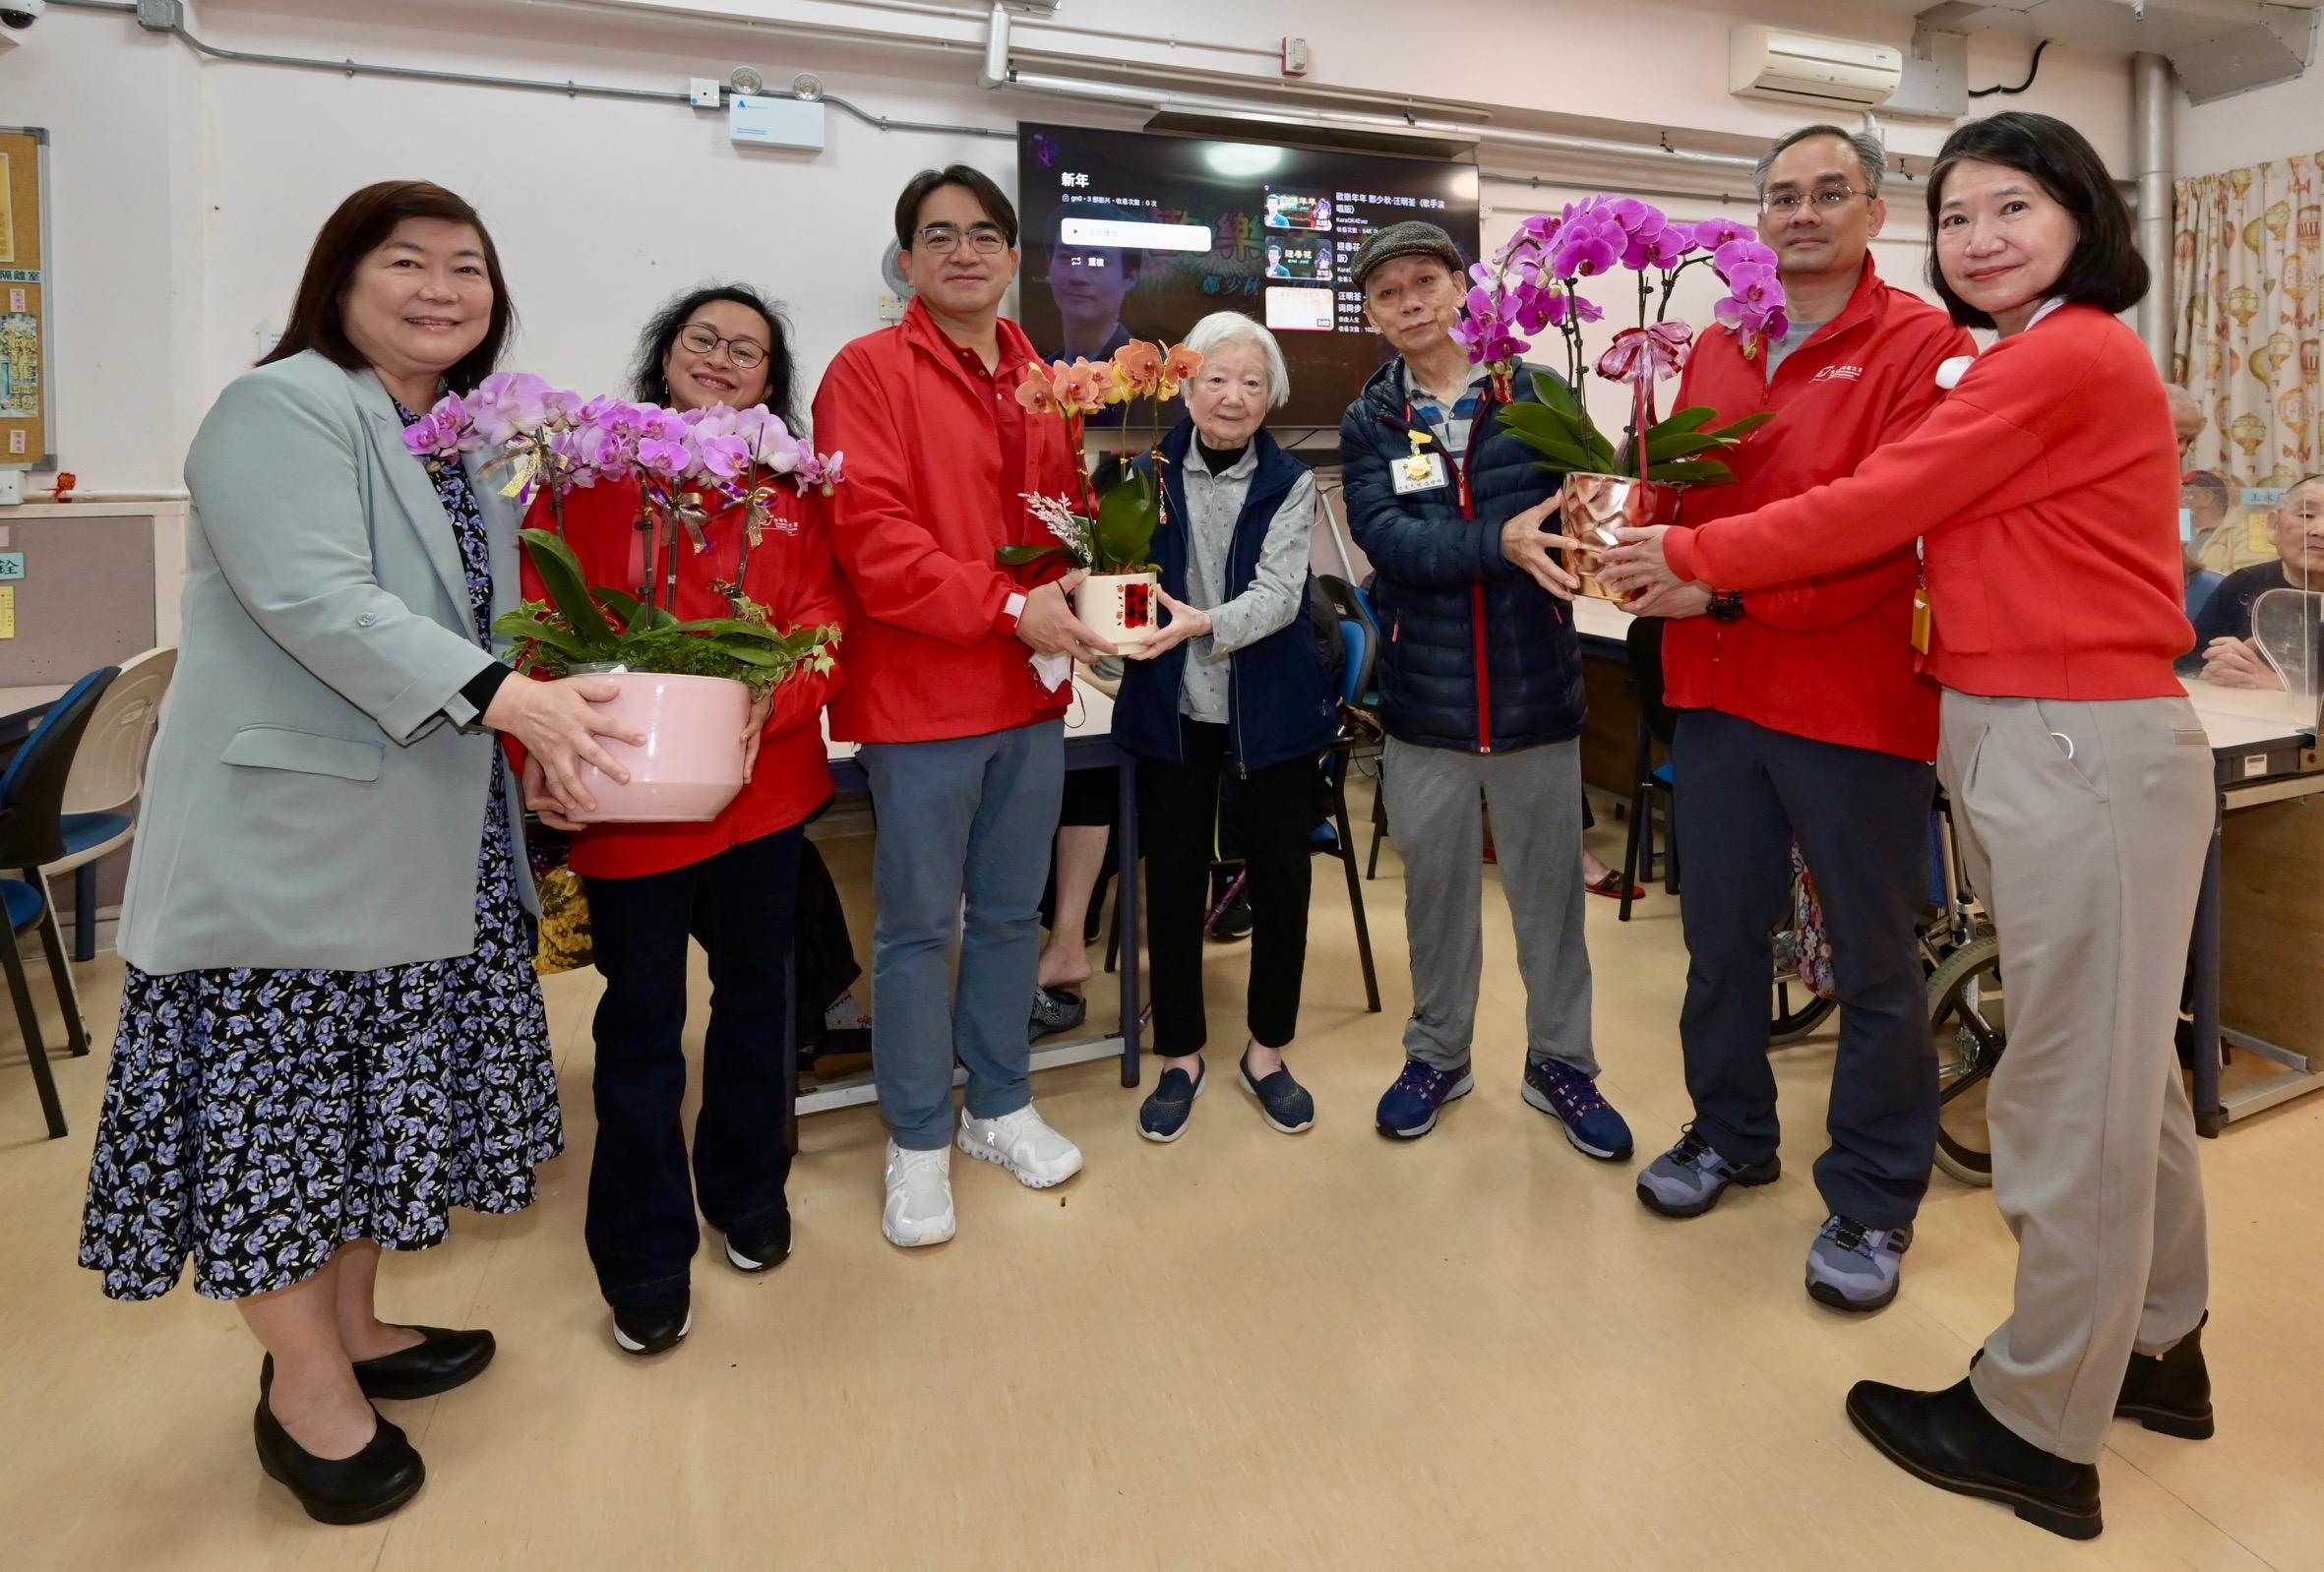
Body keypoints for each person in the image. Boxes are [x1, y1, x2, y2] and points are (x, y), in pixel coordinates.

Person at [1602, 111, 2215, 1542]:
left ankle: (2034, 1420)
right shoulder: (2014, 356)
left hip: (2073, 739)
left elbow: (1881, 502)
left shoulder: (2055, 355)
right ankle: (2156, 1345)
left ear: (2081, 216)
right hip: (2029, 733)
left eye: (2014, 207)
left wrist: (1688, 560)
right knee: (2127, 1082)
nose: (1982, 237)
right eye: (1962, 216)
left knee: (2066, 1095)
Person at [77, 181, 638, 1525]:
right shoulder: (280, 406)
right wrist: (515, 706)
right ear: (340, 280)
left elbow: (485, 636)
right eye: (409, 263)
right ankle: (302, 1384)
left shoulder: (451, 441)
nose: (444, 289)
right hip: (293, 857)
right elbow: (317, 599)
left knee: (373, 1111)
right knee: (280, 1126)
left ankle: (358, 1325)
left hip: (430, 841)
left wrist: (544, 749)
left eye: (469, 269)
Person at [1626, 125, 1976, 1314]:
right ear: (1758, 217)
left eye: (1831, 193)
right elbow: (1676, 493)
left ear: (1876, 213)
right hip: (1716, 690)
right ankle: (1729, 1133)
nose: (1802, 213)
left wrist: (1717, 578)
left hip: (1848, 694)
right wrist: (1601, 527)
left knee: (1874, 962)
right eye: (1781, 196)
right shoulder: (1719, 342)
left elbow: (1884, 528)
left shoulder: (1921, 345)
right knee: (1719, 938)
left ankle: (1875, 1195)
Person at [519, 283, 844, 1356]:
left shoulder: (788, 483)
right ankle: (643, 1249)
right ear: (665, 356)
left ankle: (749, 1193)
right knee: (641, 1027)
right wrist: (546, 749)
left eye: (747, 351)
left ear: (769, 381)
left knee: (760, 1005)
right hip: (627, 804)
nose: (721, 358)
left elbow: (821, 624)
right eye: (702, 339)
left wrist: (767, 702)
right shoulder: (585, 474)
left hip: (763, 794)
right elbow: (531, 633)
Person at [815, 165, 1110, 1247]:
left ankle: (997, 1103)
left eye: (985, 234)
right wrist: (1004, 604)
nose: (964, 252)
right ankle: (918, 1135)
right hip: (920, 694)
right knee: (913, 930)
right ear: (906, 259)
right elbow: (874, 542)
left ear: (1012, 256)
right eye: (938, 235)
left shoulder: (1042, 377)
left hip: (1027, 694)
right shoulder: (865, 371)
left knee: (1007, 916)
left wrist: (1098, 575)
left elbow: (1064, 517)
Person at [1337, 220, 1631, 1159]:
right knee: (1435, 895)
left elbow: (1586, 508)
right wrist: (1498, 544)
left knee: (1550, 897)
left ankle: (1563, 1064)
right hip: (1425, 703)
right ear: (1373, 315)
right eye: (1388, 292)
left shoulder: (1538, 389)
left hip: (1535, 691)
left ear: (1464, 286)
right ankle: (1438, 1055)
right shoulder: (1370, 419)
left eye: (1426, 280)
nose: (1411, 301)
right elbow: (1388, 540)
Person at [1114, 311, 1336, 1141]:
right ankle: (1181, 1054)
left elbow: (1281, 598)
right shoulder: (1144, 469)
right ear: (1188, 385)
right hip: (1171, 709)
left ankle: (1268, 1052)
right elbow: (1123, 575)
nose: (1234, 397)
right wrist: (1123, 628)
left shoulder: (1292, 482)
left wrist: (1199, 624)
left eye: (1252, 383)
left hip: (1270, 710)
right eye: (1217, 379)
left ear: (1271, 395)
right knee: (1170, 880)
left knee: (1283, 882)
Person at [2186, 473, 2323, 689]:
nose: (2320, 531)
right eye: (2306, 515)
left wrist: (2280, 685)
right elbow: (2189, 667)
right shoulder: (2243, 584)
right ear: (2273, 525)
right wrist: (2214, 670)